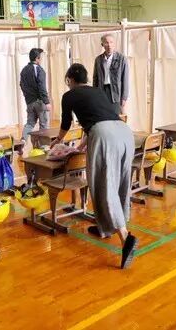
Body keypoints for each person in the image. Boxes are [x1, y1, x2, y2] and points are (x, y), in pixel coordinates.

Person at [51, 64, 137, 269]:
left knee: (103, 186)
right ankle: (104, 227)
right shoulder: (97, 91)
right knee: (120, 183)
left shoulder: (69, 95)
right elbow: (99, 119)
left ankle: (125, 237)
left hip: (105, 136)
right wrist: (81, 146)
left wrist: (58, 141)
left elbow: (66, 124)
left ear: (70, 79)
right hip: (125, 133)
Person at [19, 48, 51, 154]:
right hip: (40, 102)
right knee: (44, 124)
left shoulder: (24, 70)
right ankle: (43, 147)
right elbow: (42, 86)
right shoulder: (39, 69)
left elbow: (21, 85)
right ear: (37, 58)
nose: (41, 59)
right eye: (40, 58)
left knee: (29, 124)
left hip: (30, 102)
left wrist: (28, 97)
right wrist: (46, 102)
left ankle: (23, 141)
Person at [92, 34, 129, 115]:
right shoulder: (98, 59)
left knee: (115, 116)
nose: (109, 45)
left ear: (114, 43)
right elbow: (95, 79)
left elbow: (125, 79)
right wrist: (94, 95)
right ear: (102, 44)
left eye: (111, 42)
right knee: (102, 115)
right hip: (101, 91)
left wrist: (124, 97)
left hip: (115, 92)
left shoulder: (121, 59)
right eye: (106, 42)